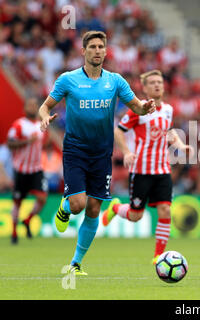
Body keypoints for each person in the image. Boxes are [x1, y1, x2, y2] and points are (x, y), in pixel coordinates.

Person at [38, 31, 156, 275]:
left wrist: (144, 108)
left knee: (94, 209)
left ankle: (76, 263)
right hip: (75, 150)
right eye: (92, 46)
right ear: (83, 51)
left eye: (101, 46)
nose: (97, 50)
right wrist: (44, 118)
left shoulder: (115, 81)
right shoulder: (68, 80)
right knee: (79, 204)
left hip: (102, 153)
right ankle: (65, 207)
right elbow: (45, 105)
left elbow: (136, 107)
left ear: (105, 50)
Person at [102, 69, 193, 264]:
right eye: (152, 82)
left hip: (162, 170)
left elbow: (168, 132)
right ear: (144, 88)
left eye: (159, 81)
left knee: (165, 211)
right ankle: (116, 208)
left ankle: (158, 255)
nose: (157, 85)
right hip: (141, 170)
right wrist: (126, 151)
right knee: (136, 216)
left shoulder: (168, 109)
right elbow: (118, 131)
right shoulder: (139, 109)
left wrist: (180, 145)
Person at [7, 97, 50, 244]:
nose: (32, 107)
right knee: (18, 201)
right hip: (21, 170)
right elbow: (10, 143)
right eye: (29, 105)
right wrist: (27, 142)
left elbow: (44, 144)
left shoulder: (41, 125)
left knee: (43, 198)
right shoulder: (19, 125)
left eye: (34, 105)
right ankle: (14, 232)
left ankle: (27, 220)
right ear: (24, 108)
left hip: (36, 169)